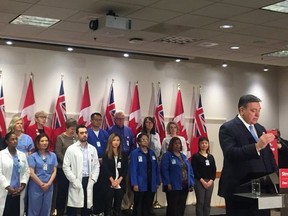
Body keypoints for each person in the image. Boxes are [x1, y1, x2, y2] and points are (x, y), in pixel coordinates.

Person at [218, 94, 277, 216]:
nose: (257, 114)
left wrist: (276, 177)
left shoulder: (260, 128)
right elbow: (231, 153)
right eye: (253, 110)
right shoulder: (228, 128)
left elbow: (268, 157)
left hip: (263, 190)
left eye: (259, 111)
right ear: (242, 110)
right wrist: (257, 146)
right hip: (239, 190)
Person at [63, 125, 100, 216]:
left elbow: (96, 166)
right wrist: (73, 179)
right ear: (77, 135)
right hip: (77, 179)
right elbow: (66, 166)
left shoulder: (92, 149)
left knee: (87, 206)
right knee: (73, 206)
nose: (84, 135)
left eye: (86, 133)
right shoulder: (71, 149)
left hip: (88, 179)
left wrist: (93, 179)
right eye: (82, 133)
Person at [160, 137, 194, 216]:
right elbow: (164, 170)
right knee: (173, 207)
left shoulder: (183, 157)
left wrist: (191, 183)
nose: (177, 145)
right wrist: (167, 183)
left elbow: (190, 170)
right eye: (175, 143)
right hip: (173, 186)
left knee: (181, 207)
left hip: (184, 185)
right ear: (171, 144)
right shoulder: (167, 156)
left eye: (179, 143)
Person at [130, 133, 160, 216]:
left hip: (151, 183)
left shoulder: (152, 153)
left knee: (148, 204)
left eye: (146, 139)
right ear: (139, 142)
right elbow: (133, 169)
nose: (145, 141)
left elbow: (156, 168)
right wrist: (134, 183)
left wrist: (157, 181)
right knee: (139, 204)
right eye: (143, 139)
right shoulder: (135, 153)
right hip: (140, 183)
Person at [27, 133, 58, 216]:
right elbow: (32, 173)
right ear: (37, 143)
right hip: (36, 186)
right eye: (42, 141)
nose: (45, 143)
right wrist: (41, 184)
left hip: (49, 186)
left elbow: (54, 171)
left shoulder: (53, 155)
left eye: (46, 141)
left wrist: (48, 184)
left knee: (46, 209)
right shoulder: (32, 156)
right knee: (34, 210)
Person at [0, 132, 30, 216]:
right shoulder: (1, 154)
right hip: (6, 191)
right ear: (7, 141)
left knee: (17, 212)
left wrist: (22, 186)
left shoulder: (22, 155)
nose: (15, 141)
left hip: (18, 191)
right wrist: (8, 188)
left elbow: (26, 171)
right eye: (12, 139)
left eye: (16, 139)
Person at [54, 118, 77, 216]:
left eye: (74, 129)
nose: (73, 131)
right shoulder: (60, 138)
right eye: (71, 129)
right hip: (62, 168)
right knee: (62, 191)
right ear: (66, 128)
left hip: (74, 169)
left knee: (72, 191)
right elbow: (58, 152)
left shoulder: (76, 138)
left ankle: (70, 211)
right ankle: (60, 211)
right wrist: (67, 163)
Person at [87, 113, 109, 215]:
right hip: (91, 164)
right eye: (96, 120)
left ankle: (101, 209)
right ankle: (92, 209)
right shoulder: (87, 133)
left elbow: (108, 149)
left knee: (103, 187)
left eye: (100, 120)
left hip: (104, 164)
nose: (98, 122)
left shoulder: (105, 133)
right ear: (91, 121)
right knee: (93, 187)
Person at [102, 133, 129, 216]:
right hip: (109, 184)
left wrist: (118, 181)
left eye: (118, 140)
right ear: (110, 142)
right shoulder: (106, 155)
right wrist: (112, 181)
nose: (116, 142)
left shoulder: (124, 154)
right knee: (108, 207)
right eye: (114, 140)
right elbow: (105, 169)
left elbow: (125, 169)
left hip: (120, 183)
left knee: (117, 207)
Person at [191, 136, 216, 216]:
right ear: (199, 144)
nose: (204, 145)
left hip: (210, 182)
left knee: (207, 202)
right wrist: (203, 181)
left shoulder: (211, 157)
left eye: (206, 143)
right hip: (199, 181)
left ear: (208, 144)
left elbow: (213, 170)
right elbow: (195, 170)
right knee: (200, 202)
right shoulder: (196, 156)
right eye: (202, 143)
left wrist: (211, 181)